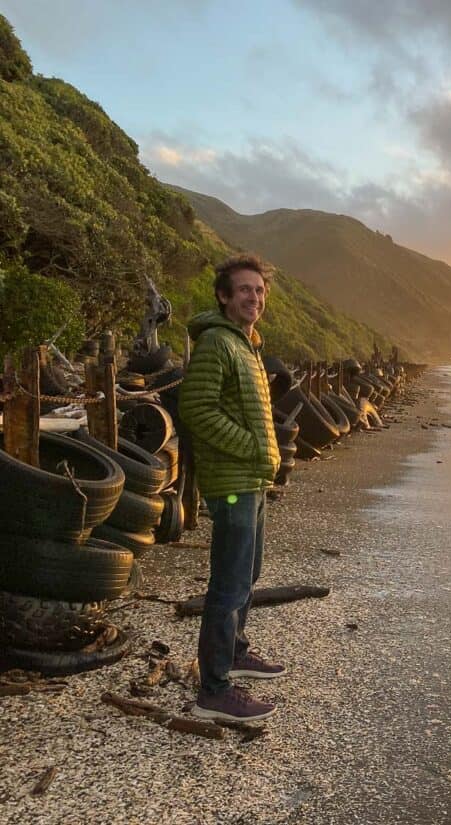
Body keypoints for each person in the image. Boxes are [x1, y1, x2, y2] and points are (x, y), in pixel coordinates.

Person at [178, 254, 285, 722]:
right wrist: (250, 447)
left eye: (259, 291)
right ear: (224, 295)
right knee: (229, 583)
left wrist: (264, 457)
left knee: (249, 574)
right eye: (244, 290)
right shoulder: (217, 344)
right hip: (234, 481)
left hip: (252, 477)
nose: (254, 298)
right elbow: (196, 409)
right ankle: (214, 691)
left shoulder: (247, 345)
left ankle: (236, 653)